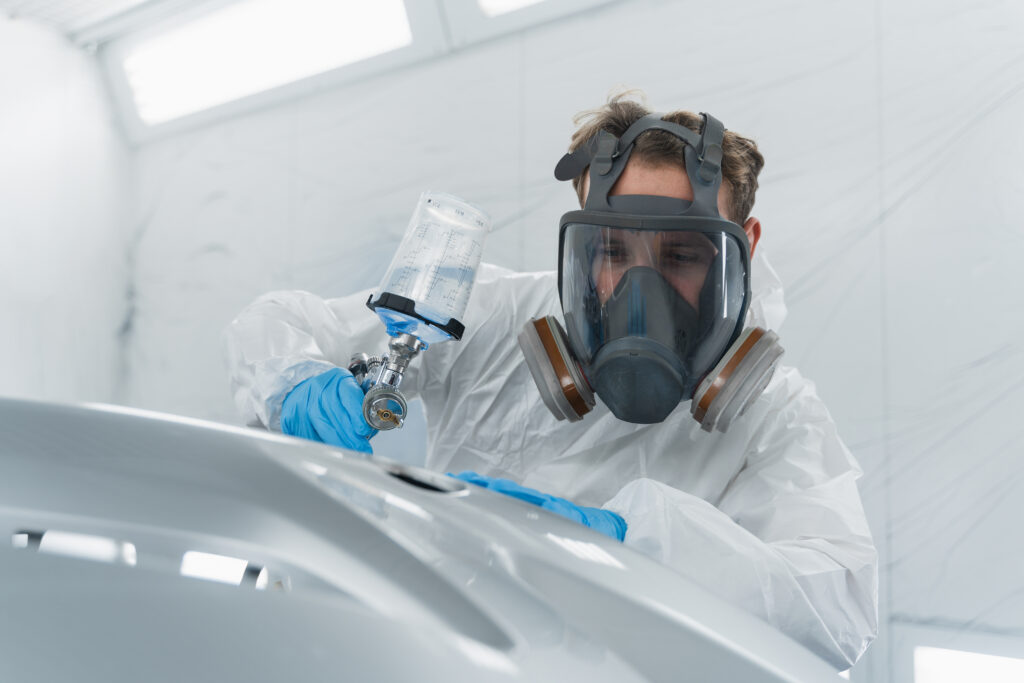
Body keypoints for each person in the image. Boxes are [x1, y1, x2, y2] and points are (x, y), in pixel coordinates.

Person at [224, 93, 878, 669]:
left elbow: (838, 608)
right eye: (612, 251)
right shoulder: (497, 316)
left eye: (680, 255)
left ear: (746, 242)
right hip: (434, 652)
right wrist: (294, 377)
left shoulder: (773, 412)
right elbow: (281, 320)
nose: (635, 292)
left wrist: (629, 538)